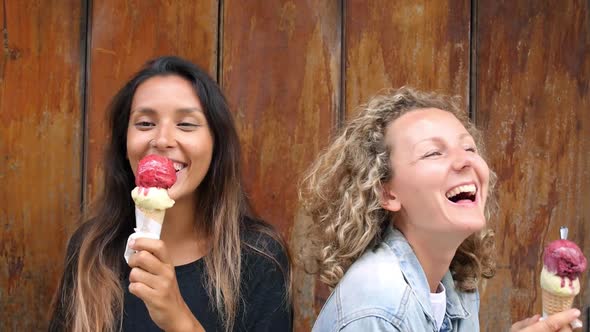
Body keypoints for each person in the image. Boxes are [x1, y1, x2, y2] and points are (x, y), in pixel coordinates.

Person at [299, 87, 581, 331]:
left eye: (469, 148)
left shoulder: (457, 287)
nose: (464, 161)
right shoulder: (377, 305)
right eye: (433, 152)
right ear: (385, 192)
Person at [48, 56, 292, 332]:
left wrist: (178, 319)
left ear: (216, 145)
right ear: (123, 143)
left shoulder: (260, 257)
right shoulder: (91, 251)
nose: (162, 140)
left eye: (186, 124)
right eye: (144, 124)